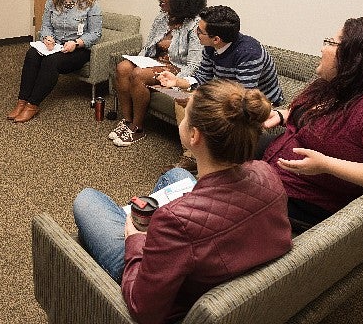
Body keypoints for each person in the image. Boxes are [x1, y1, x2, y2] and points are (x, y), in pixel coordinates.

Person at [74, 80, 293, 324]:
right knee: (175, 176)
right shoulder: (267, 172)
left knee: (87, 200)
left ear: (194, 135)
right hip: (229, 262)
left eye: (185, 116)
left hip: (176, 299)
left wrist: (135, 240)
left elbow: (142, 308)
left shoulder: (173, 222)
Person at [260, 17, 363, 233]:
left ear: (354, 55)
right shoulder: (340, 85)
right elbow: (321, 115)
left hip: (306, 201)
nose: (322, 48)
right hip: (279, 168)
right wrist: (284, 116)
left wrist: (327, 165)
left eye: (330, 42)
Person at [157, 5, 284, 171]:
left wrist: (203, 99)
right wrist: (177, 82)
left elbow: (245, 95)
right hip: (230, 92)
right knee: (184, 99)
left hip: (259, 102)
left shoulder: (249, 52)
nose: (196, 33)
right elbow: (203, 76)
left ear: (216, 39)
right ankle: (194, 155)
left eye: (200, 31)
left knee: (198, 104)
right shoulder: (210, 47)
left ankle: (213, 163)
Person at [109, 0, 206, 147]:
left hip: (177, 68)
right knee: (123, 67)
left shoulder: (195, 25)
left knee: (138, 75)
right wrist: (140, 59)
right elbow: (148, 48)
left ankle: (137, 128)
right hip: (155, 61)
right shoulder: (162, 17)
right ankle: (127, 120)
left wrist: (176, 81)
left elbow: (194, 65)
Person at [7, 0, 102, 123]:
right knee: (32, 54)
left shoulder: (90, 3)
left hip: (78, 50)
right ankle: (21, 101)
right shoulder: (52, 0)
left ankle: (32, 105)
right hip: (56, 45)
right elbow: (46, 26)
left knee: (51, 61)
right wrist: (47, 38)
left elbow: (95, 34)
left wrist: (76, 43)